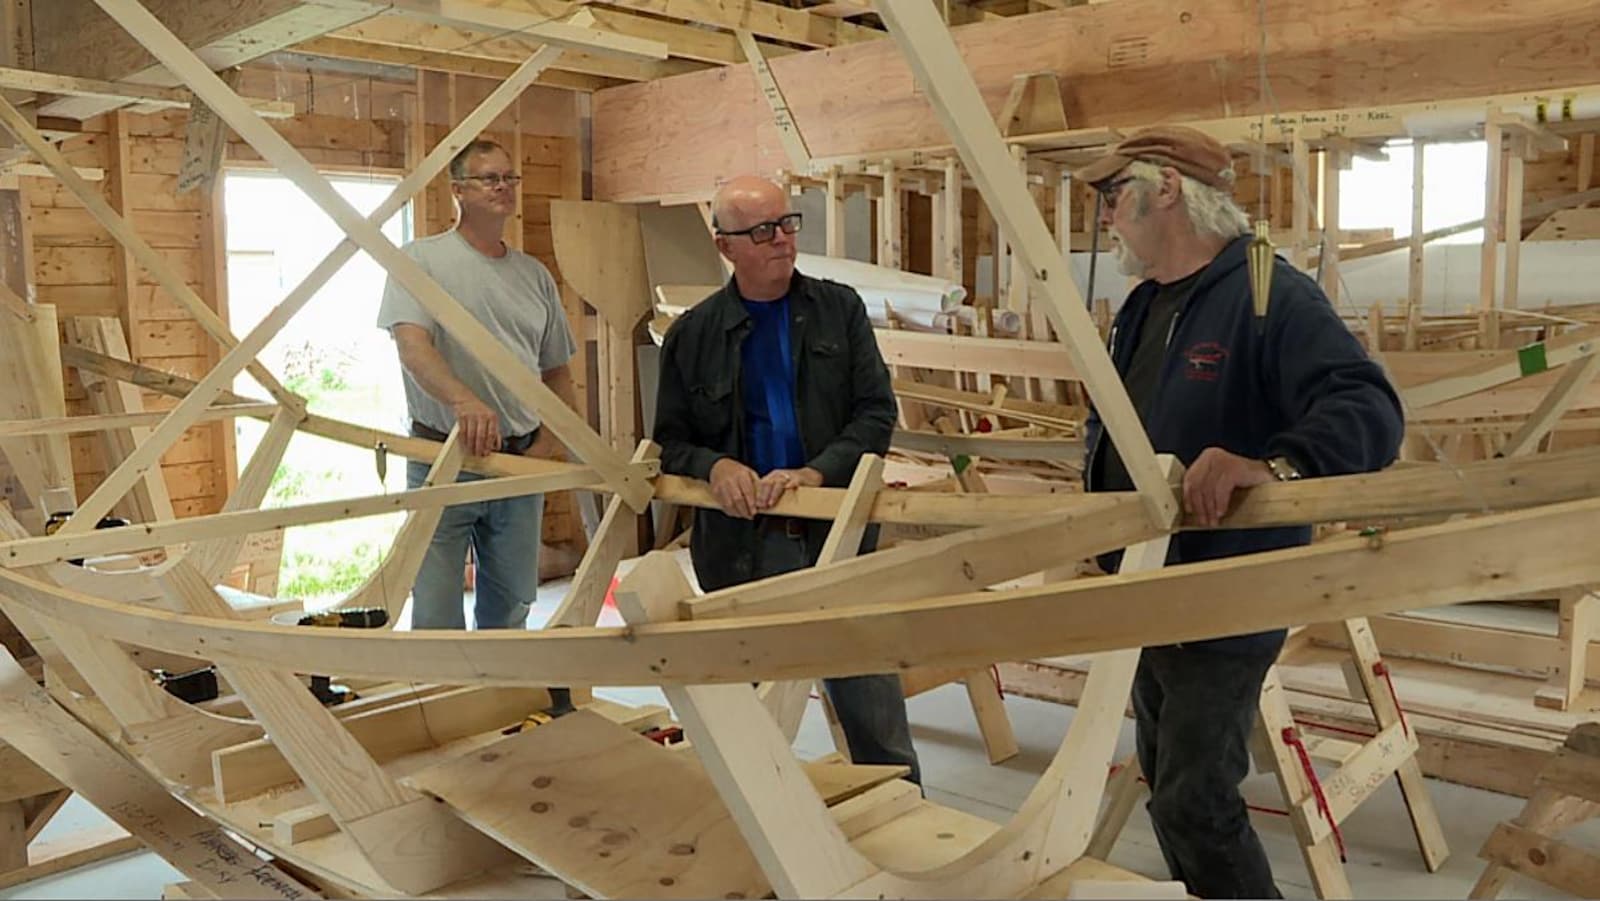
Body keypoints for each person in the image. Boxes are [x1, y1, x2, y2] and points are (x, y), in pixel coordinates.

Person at [1074, 126, 1404, 898]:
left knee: (1195, 798)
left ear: (1167, 191)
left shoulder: (1267, 292)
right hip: (1148, 582)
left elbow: (1371, 408)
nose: (1105, 218)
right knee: (1166, 782)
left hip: (1226, 590)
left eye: (1113, 195)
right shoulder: (1143, 304)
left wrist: (1272, 464)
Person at [653, 175, 922, 783]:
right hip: (741, 547)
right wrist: (715, 466)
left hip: (837, 533)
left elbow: (877, 413)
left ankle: (909, 823)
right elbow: (669, 441)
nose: (783, 241)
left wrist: (815, 471)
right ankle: (758, 834)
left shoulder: (839, 309)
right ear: (726, 247)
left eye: (787, 224)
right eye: (763, 231)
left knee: (872, 705)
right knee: (745, 712)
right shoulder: (692, 335)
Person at [376, 138, 579, 644]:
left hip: (518, 461)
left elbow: (555, 369)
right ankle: (443, 705)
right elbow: (413, 346)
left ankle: (503, 699)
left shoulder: (534, 276)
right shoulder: (420, 261)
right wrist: (464, 402)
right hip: (442, 456)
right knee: (437, 605)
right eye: (490, 179)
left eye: (510, 179)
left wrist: (556, 434)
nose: (503, 188)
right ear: (459, 190)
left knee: (511, 602)